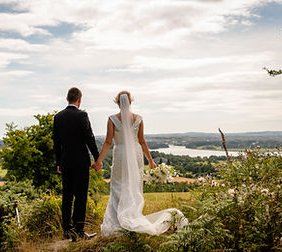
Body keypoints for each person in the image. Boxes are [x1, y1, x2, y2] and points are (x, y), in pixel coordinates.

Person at [93, 91, 188, 236]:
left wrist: (99, 160)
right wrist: (150, 160)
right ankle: (132, 217)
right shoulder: (139, 119)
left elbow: (107, 142)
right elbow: (142, 141)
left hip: (119, 155)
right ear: (130, 102)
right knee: (133, 186)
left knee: (118, 185)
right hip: (136, 154)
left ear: (117, 103)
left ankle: (116, 222)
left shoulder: (112, 119)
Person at [53, 87, 100, 241]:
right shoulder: (82, 115)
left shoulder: (58, 117)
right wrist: (97, 159)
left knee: (67, 196)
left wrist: (58, 162)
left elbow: (56, 143)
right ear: (79, 100)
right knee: (80, 197)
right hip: (81, 162)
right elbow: (90, 138)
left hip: (65, 162)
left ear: (67, 99)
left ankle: (67, 231)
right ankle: (79, 230)